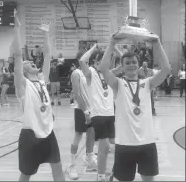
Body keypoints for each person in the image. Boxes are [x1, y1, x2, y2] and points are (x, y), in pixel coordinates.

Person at [100, 32, 170, 182]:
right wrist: (112, 43)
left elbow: (166, 69)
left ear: (138, 64)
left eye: (134, 62)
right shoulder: (118, 84)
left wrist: (157, 44)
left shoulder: (147, 83)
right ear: (122, 66)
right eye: (127, 63)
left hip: (147, 143)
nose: (131, 65)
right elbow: (104, 69)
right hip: (125, 144)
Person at [10, 11, 65, 181]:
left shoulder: (42, 80)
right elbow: (18, 56)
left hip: (48, 132)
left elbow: (48, 55)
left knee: (58, 167)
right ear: (22, 70)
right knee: (26, 174)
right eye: (28, 63)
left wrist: (46, 33)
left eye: (32, 62)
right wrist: (17, 28)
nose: (31, 62)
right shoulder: (23, 85)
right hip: (30, 134)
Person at [79, 44, 118, 181]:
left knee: (114, 144)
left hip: (110, 114)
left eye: (104, 60)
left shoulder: (109, 73)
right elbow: (82, 61)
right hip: (98, 114)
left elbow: (123, 61)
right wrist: (93, 48)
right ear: (95, 62)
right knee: (105, 145)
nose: (102, 62)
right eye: (99, 60)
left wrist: (113, 46)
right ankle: (101, 176)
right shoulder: (91, 73)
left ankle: (110, 171)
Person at [66, 52, 97, 180]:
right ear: (80, 59)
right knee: (78, 136)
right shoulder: (76, 73)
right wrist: (85, 111)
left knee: (91, 135)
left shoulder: (91, 71)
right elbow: (77, 94)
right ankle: (72, 165)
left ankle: (88, 159)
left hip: (93, 108)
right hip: (81, 109)